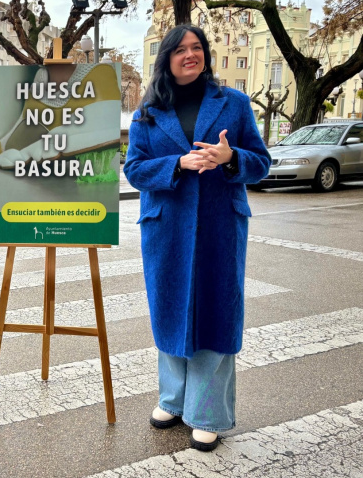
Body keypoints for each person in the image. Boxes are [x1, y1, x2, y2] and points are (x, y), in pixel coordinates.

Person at [124, 25, 270, 452]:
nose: (190, 55)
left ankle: (207, 412)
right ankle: (172, 398)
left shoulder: (234, 103)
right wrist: (178, 164)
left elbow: (261, 163)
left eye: (197, 48)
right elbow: (133, 169)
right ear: (167, 59)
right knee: (170, 309)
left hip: (220, 227)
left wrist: (231, 157)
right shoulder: (148, 111)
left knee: (216, 312)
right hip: (166, 227)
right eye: (181, 50)